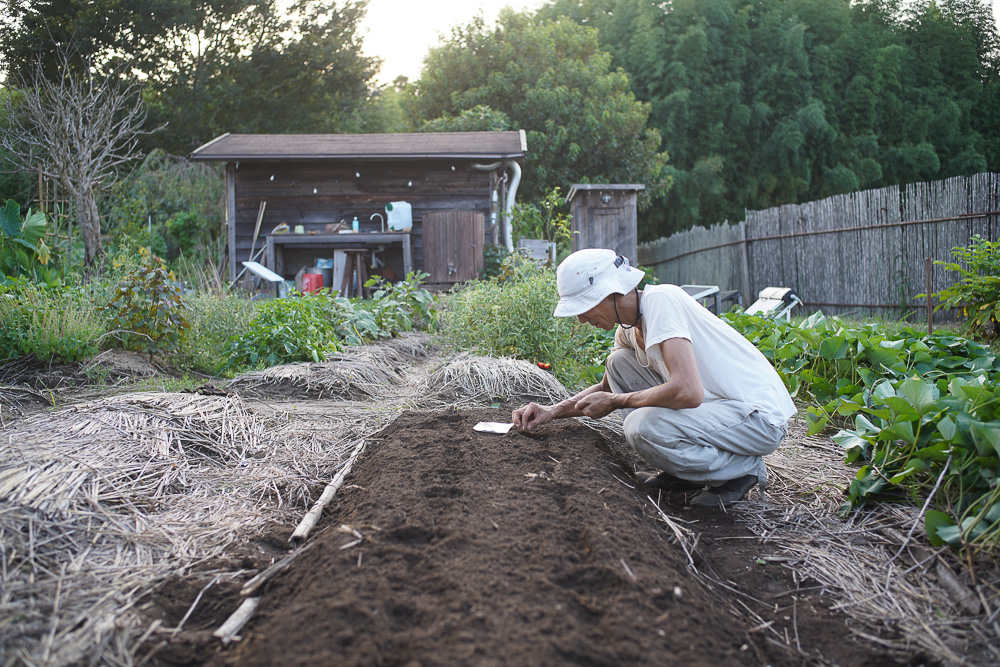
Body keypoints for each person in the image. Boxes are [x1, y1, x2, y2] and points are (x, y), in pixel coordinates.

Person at [512, 248, 796, 507]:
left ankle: (740, 470)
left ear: (608, 293)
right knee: (618, 362)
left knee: (641, 426)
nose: (581, 320)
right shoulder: (628, 326)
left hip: (756, 417)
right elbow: (606, 387)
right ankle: (687, 473)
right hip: (718, 412)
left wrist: (616, 401)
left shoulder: (661, 301)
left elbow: (688, 391)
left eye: (583, 308)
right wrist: (553, 411)